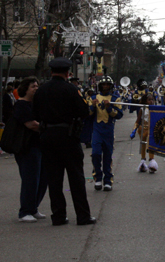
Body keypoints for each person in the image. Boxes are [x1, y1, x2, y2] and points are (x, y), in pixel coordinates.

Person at [33, 57, 96, 226]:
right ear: (68, 73)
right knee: (76, 177)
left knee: (54, 178)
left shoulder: (42, 90)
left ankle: (58, 216)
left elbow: (35, 113)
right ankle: (83, 216)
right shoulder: (71, 89)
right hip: (68, 136)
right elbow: (83, 111)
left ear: (51, 71)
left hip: (47, 135)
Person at [14, 77, 48, 223]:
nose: (36, 88)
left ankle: (33, 208)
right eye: (33, 86)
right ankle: (25, 211)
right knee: (30, 179)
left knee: (42, 179)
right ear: (25, 89)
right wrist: (47, 128)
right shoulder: (21, 105)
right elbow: (31, 124)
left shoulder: (35, 104)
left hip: (39, 146)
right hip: (27, 148)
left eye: (37, 86)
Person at [89, 76, 123, 191]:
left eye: (107, 84)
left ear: (111, 86)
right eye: (103, 85)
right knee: (96, 154)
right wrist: (92, 106)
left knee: (107, 156)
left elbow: (119, 115)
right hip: (97, 130)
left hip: (108, 130)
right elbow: (87, 114)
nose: (105, 87)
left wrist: (109, 108)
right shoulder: (93, 97)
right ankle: (98, 177)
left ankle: (108, 180)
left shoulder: (115, 98)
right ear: (100, 86)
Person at [134, 94, 158, 173]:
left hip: (151, 129)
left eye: (152, 99)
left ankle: (152, 161)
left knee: (151, 144)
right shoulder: (142, 109)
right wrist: (134, 130)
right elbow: (138, 120)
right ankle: (143, 161)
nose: (151, 101)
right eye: (149, 99)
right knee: (143, 144)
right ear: (145, 101)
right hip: (142, 129)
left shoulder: (155, 109)